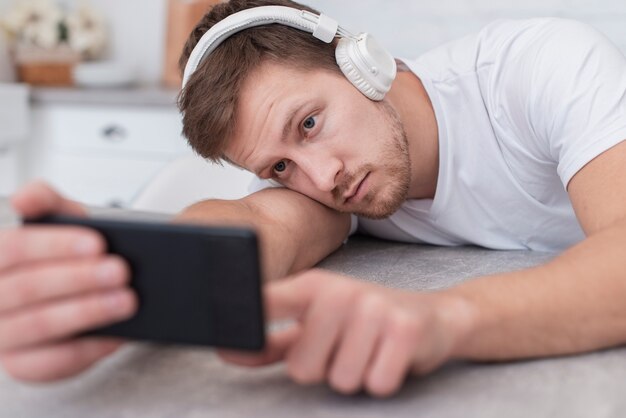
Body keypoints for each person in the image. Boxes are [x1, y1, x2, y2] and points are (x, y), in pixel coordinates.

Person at [1, 0, 625, 398]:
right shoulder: (327, 182)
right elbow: (252, 226)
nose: (321, 177)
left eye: (308, 123)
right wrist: (123, 279)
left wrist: (445, 320)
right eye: (278, 165)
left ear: (363, 64)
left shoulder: (539, 68)